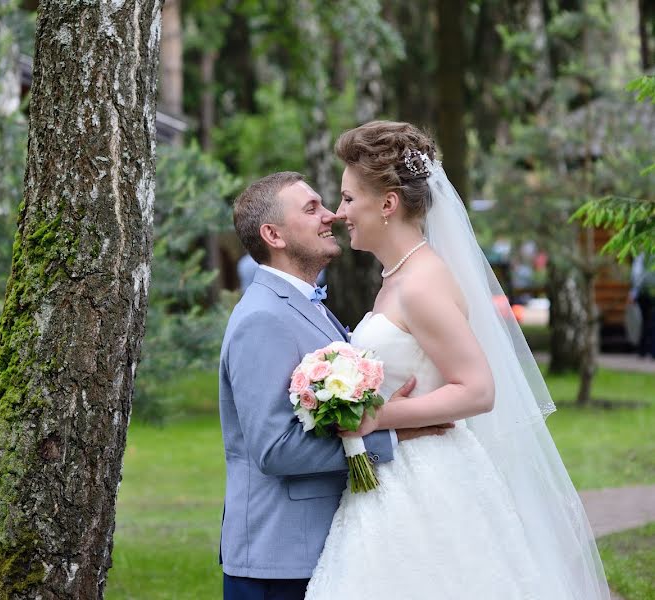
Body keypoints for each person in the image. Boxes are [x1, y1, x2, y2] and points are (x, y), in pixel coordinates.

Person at [305, 121, 608, 599]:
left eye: (347, 198)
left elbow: (478, 389)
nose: (340, 212)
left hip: (429, 483)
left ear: (387, 204)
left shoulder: (420, 284)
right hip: (396, 475)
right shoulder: (396, 278)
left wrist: (378, 415)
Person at [218, 172, 450, 600]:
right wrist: (391, 435)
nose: (331, 215)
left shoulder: (308, 304)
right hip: (281, 558)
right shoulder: (262, 319)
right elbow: (275, 450)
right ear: (274, 234)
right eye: (311, 209)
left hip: (325, 549)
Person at [630, 253, 655, 358]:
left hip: (643, 294)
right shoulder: (641, 258)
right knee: (649, 322)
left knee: (645, 322)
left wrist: (634, 292)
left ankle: (643, 351)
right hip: (646, 294)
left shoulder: (641, 258)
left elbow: (636, 276)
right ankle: (648, 350)